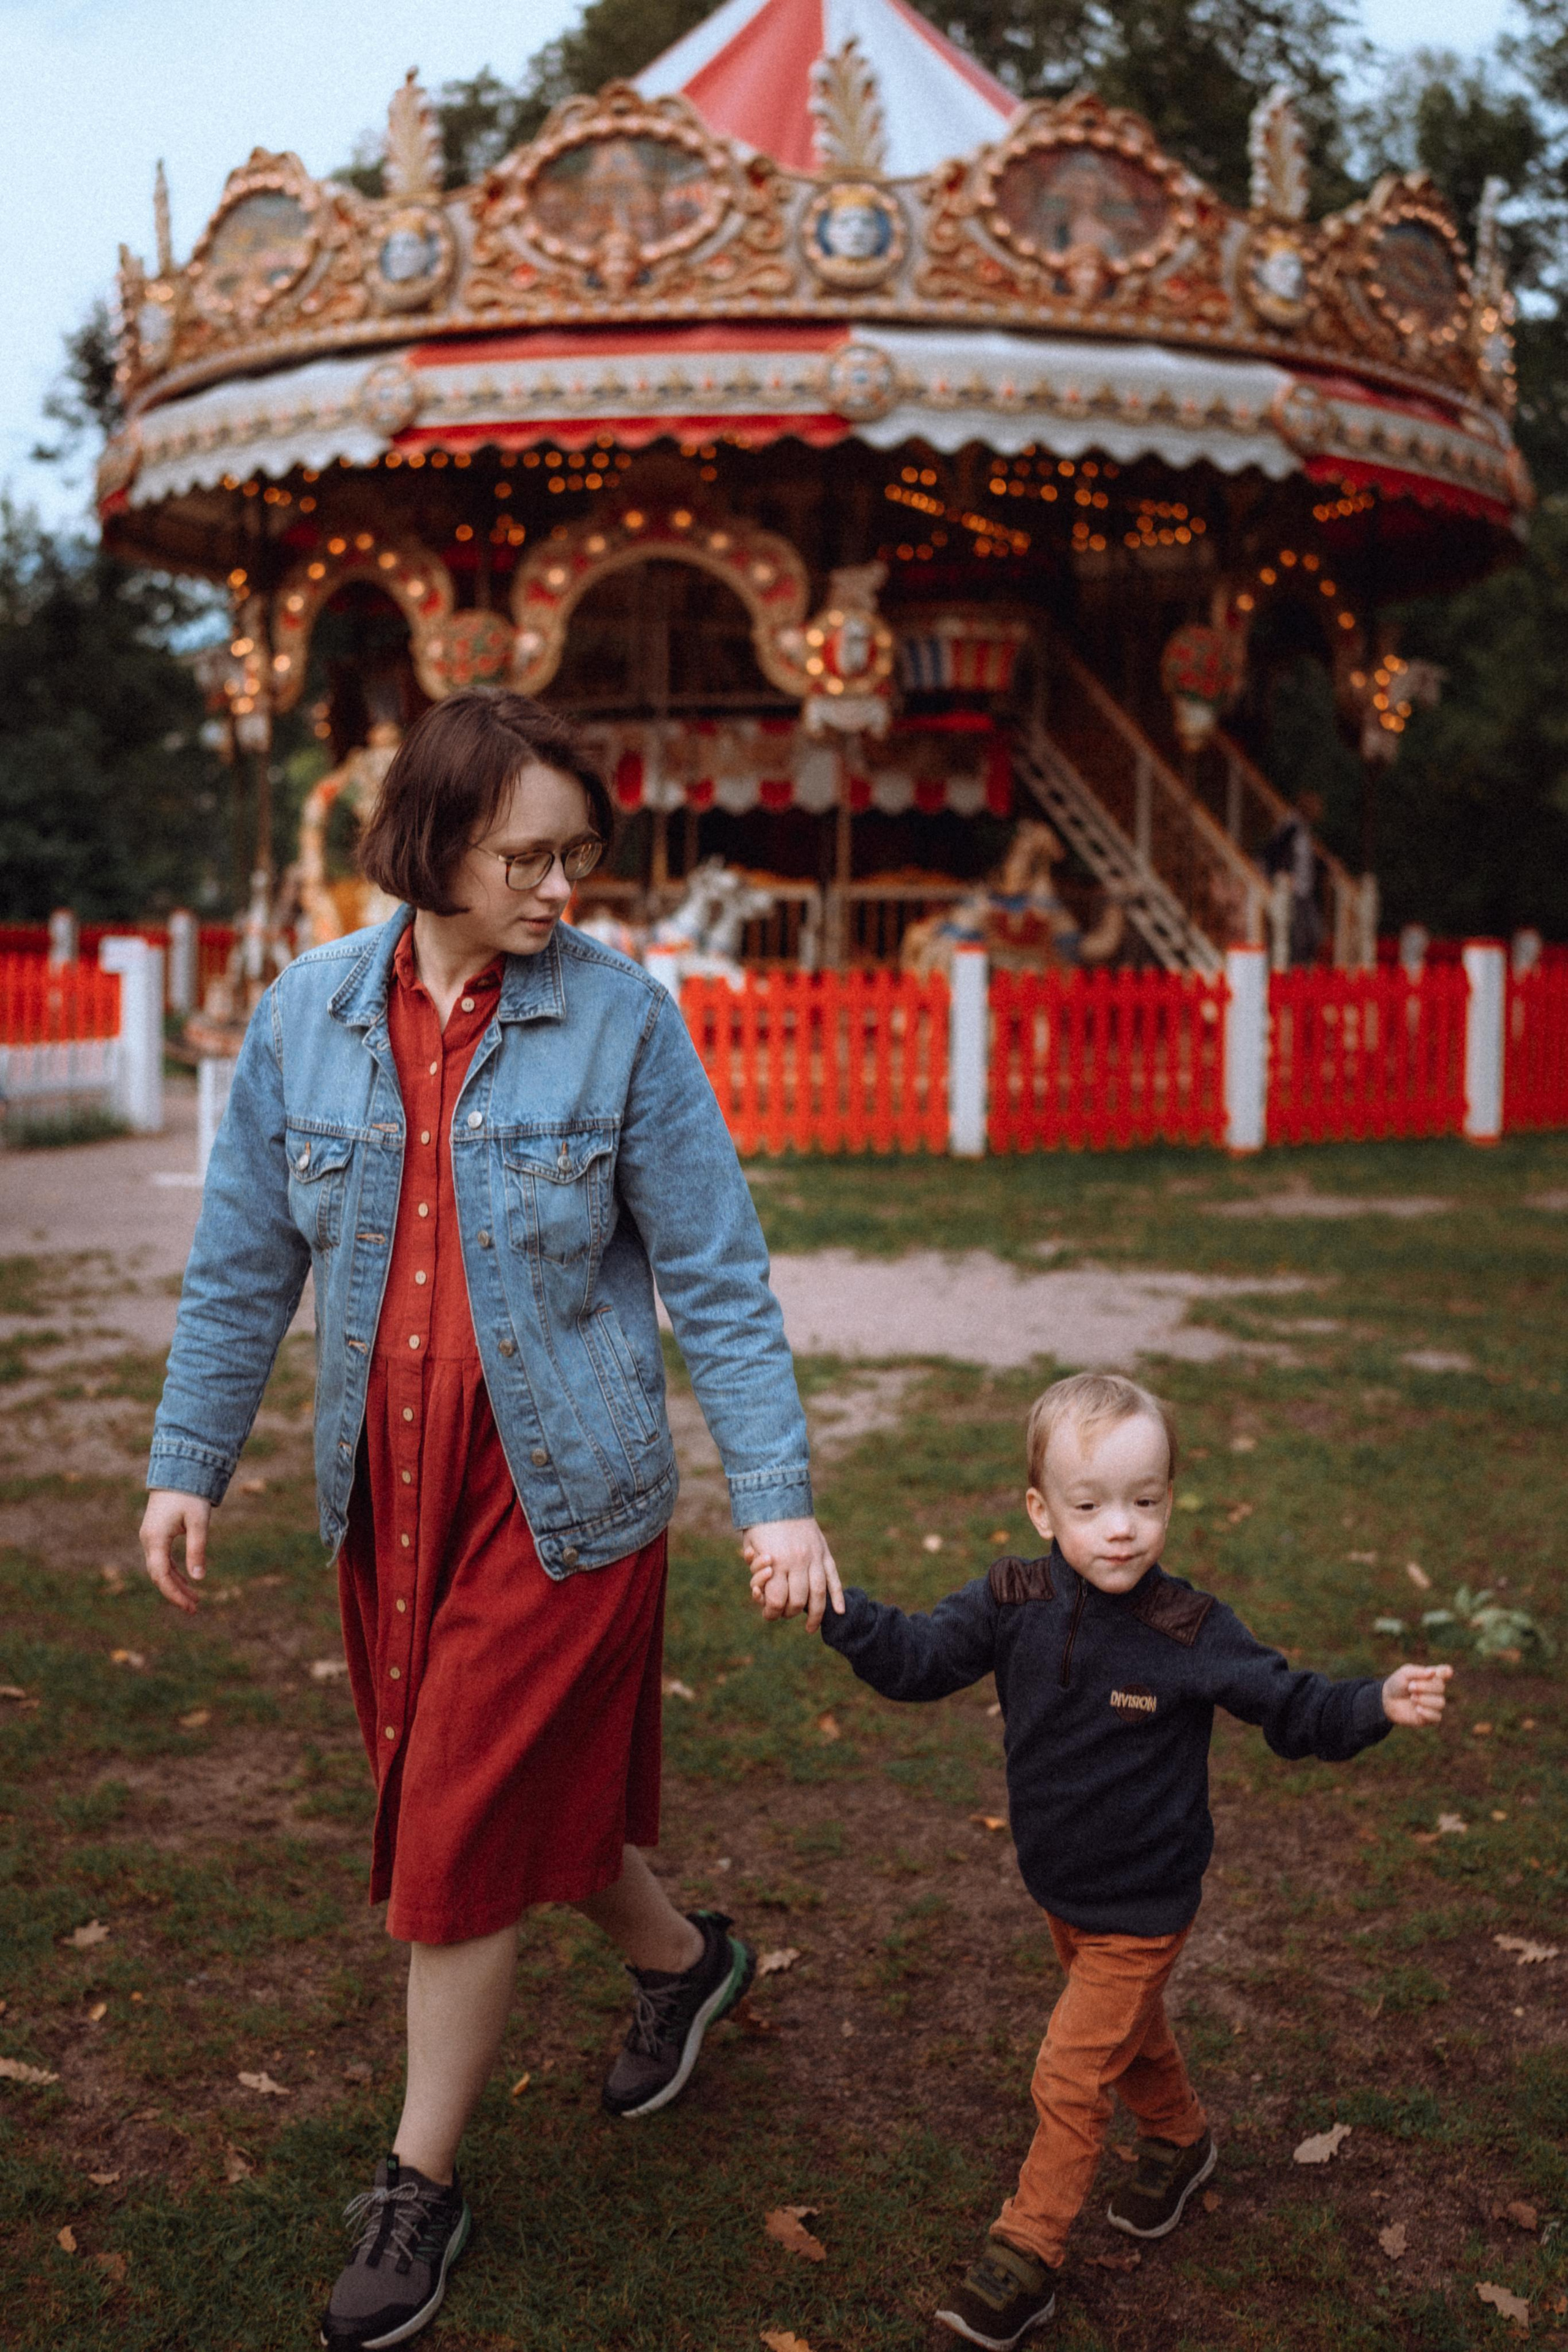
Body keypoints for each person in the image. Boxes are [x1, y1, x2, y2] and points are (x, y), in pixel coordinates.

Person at [140, 690, 842, 2351]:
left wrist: (780, 1496)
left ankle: (416, 2186)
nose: (560, 889)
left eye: (578, 857)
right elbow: (246, 1260)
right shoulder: (306, 1017)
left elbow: (720, 1280)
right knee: (499, 1794)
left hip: (568, 1494)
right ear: (432, 841)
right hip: (387, 1492)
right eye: (528, 855)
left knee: (455, 1836)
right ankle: (684, 1967)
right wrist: (190, 1457)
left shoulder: (623, 1024)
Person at [775, 1371, 1450, 2350]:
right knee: (1128, 2039)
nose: (1121, 1529)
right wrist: (838, 1610)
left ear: (1171, 1498)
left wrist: (1373, 1702)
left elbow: (1292, 1707)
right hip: (1061, 1887)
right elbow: (919, 1662)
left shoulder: (1190, 1632)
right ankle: (1180, 2141)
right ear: (1042, 1511)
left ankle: (1027, 2254)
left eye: (1146, 1502)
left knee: (1071, 2073)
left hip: (1146, 1901)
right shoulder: (1011, 1599)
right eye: (1090, 1507)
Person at [1262, 789, 1325, 967]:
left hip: (1305, 890)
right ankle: (1294, 975)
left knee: (1313, 934)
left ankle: (1301, 971)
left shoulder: (1304, 828)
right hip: (1294, 891)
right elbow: (1272, 852)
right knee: (1299, 936)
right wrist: (1283, 874)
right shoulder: (1291, 826)